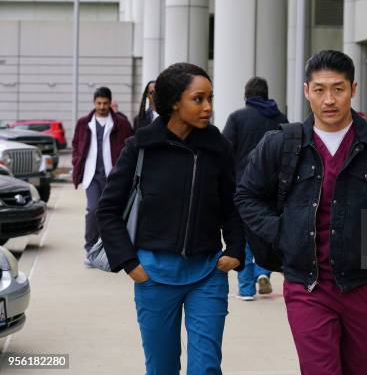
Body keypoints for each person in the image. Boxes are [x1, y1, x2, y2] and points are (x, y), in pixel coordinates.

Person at [235, 50, 367, 375]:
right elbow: (247, 194)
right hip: (307, 286)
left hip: (361, 284)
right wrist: (283, 233)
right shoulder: (282, 144)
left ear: (353, 88)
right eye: (320, 89)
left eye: (338, 88)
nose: (329, 99)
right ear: (307, 91)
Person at [97, 63, 244, 374]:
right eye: (199, 99)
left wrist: (235, 251)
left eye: (210, 98)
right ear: (175, 102)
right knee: (161, 368)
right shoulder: (141, 147)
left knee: (206, 368)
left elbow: (232, 204)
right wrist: (130, 263)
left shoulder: (218, 147)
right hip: (153, 275)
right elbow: (108, 210)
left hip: (206, 275)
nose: (208, 107)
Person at [222, 76, 288, 301]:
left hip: (245, 184)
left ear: (246, 95)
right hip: (275, 188)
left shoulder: (238, 118)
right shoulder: (281, 118)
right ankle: (263, 272)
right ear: (266, 93)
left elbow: (225, 150)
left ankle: (247, 288)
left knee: (245, 233)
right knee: (267, 230)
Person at [71, 86, 133, 265]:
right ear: (94, 102)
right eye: (99, 103)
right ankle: (90, 249)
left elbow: (130, 146)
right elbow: (76, 144)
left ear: (110, 103)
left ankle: (110, 249)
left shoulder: (121, 123)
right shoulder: (84, 123)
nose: (102, 106)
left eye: (105, 103)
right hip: (92, 175)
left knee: (113, 213)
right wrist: (76, 162)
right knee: (93, 210)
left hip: (113, 176)